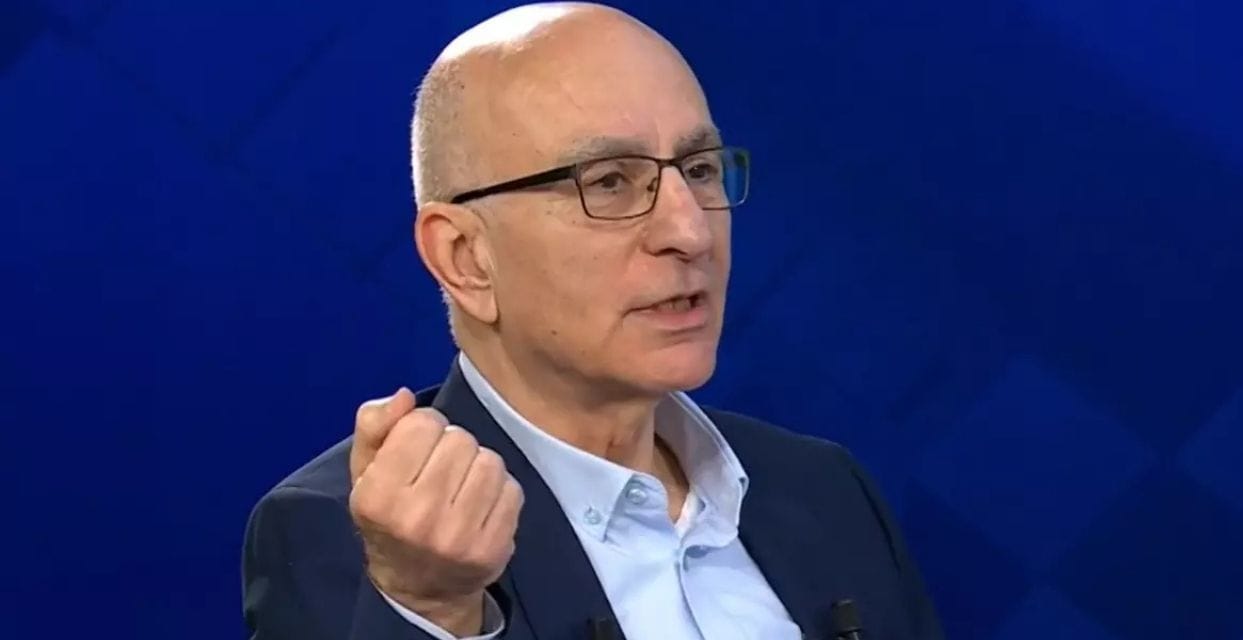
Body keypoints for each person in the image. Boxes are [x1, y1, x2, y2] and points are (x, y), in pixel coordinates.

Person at [241, 3, 944, 639]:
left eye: (700, 170)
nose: (691, 233)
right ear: (465, 258)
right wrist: (431, 610)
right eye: (610, 183)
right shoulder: (355, 540)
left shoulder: (823, 489)